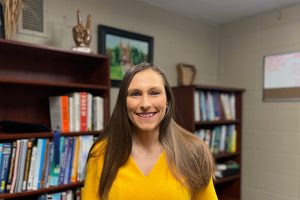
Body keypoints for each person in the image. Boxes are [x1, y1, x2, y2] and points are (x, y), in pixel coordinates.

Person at [81, 63, 218, 200]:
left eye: (154, 93)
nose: (145, 104)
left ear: (167, 101)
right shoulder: (101, 153)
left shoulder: (194, 152)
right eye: (135, 94)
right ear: (124, 103)